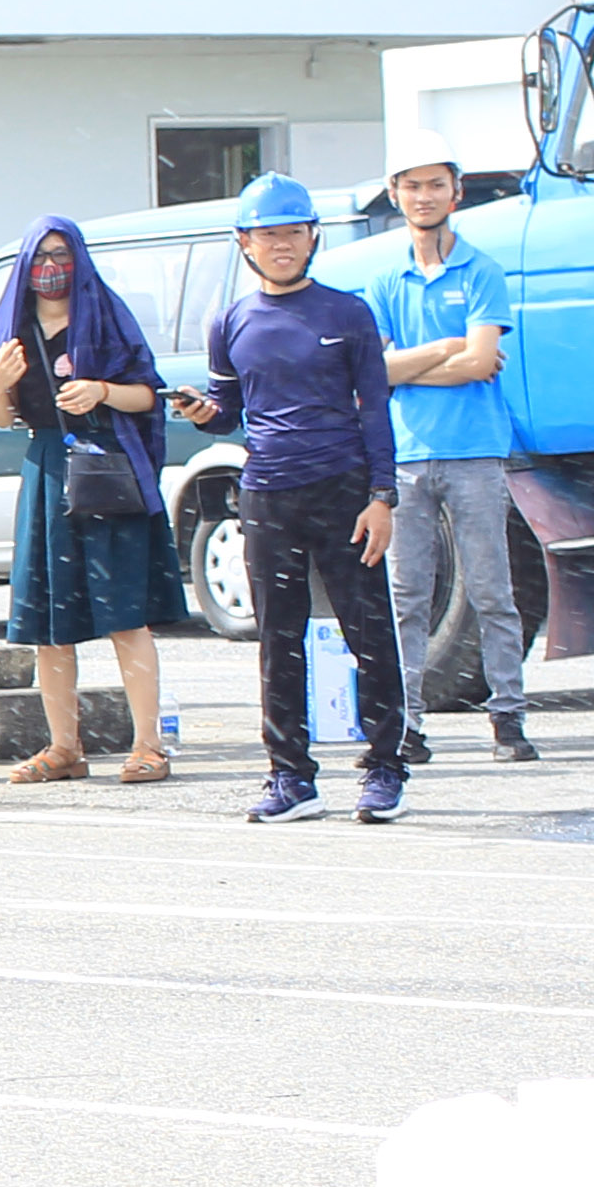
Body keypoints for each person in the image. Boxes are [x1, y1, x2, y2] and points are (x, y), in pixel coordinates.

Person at [169, 170, 404, 824]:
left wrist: (382, 494)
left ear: (312, 237)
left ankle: (386, 768)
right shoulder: (231, 320)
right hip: (267, 493)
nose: (281, 245)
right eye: (268, 234)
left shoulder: (347, 313)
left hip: (343, 490)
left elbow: (376, 409)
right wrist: (201, 412)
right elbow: (228, 413)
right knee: (278, 637)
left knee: (370, 631)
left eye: (292, 233)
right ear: (244, 241)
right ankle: (290, 778)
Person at [0, 215, 183, 786]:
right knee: (50, 620)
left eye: (61, 256)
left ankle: (149, 746)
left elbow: (149, 394)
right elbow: (4, 417)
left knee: (125, 613)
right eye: (40, 257)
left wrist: (102, 391)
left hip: (105, 466)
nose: (51, 268)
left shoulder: (105, 317)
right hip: (46, 467)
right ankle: (64, 746)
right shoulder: (14, 333)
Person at [364, 157, 533, 764]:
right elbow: (370, 372)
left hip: (475, 452)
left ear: (457, 192)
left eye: (436, 184)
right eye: (412, 185)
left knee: (492, 589)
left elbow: (483, 361)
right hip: (407, 453)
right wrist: (445, 350)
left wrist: (410, 367)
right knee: (406, 595)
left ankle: (508, 717)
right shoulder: (386, 281)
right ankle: (407, 725)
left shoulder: (482, 270)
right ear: (395, 194)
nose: (424, 195)